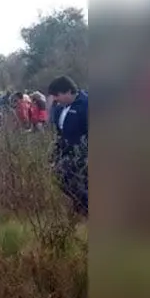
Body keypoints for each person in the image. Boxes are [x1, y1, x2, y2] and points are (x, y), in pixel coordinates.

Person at [48, 75, 88, 217]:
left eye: (57, 95)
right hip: (66, 154)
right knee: (62, 180)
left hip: (84, 155)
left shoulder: (87, 105)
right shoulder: (59, 110)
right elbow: (60, 135)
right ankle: (82, 208)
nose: (56, 99)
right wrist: (54, 154)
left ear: (68, 91)